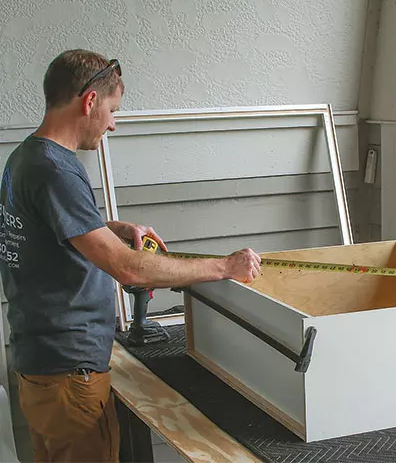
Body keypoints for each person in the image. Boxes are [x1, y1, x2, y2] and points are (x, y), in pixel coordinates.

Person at [0, 50, 262, 462]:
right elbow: (128, 269)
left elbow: (52, 232)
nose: (112, 123)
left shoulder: (27, 158)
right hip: (72, 376)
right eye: (111, 110)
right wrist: (225, 267)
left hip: (42, 368)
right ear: (89, 101)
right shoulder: (56, 170)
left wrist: (116, 230)